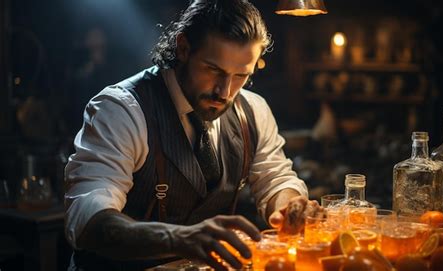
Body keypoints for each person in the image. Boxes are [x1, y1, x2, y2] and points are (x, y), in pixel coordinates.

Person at [64, 0, 312, 270]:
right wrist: (176, 237)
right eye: (214, 70)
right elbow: (87, 220)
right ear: (183, 48)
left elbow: (275, 179)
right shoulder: (123, 109)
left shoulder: (252, 111)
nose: (225, 92)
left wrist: (289, 207)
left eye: (241, 75)